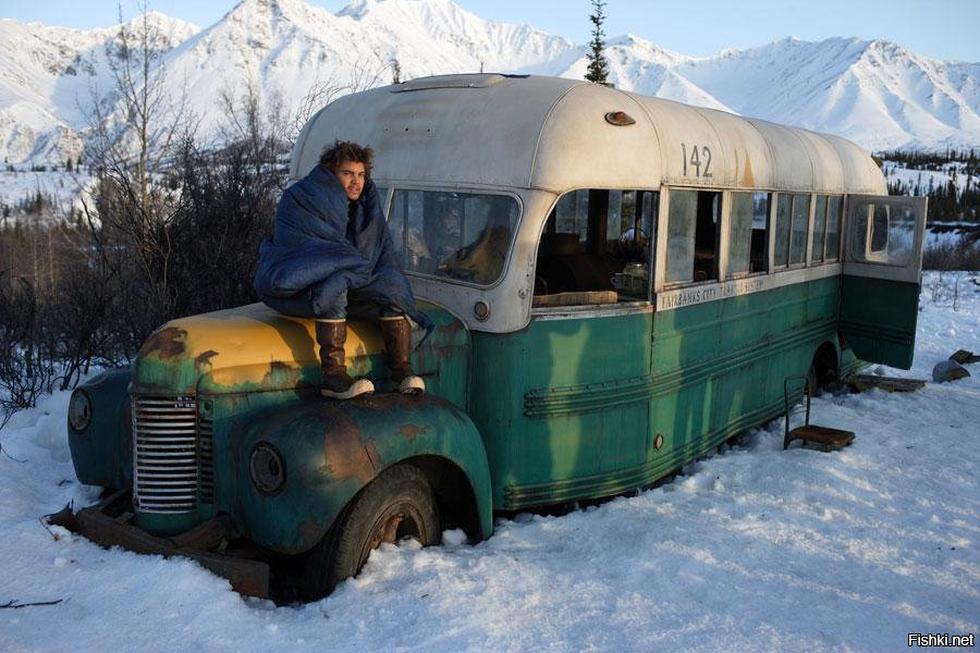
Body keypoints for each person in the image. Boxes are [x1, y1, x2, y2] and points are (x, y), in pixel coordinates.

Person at [254, 140, 432, 399]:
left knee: (390, 288)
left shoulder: (365, 207)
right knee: (334, 284)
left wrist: (360, 269)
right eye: (347, 173)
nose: (355, 182)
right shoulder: (301, 199)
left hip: (351, 281)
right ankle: (333, 375)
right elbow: (305, 250)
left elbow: (381, 251)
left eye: (360, 175)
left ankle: (401, 370)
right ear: (330, 173)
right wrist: (348, 265)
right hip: (300, 288)